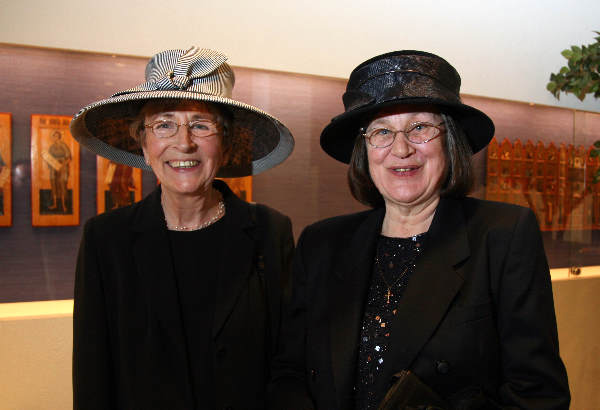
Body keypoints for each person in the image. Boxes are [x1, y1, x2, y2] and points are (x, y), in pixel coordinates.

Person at [268, 51, 570, 409]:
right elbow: (289, 373)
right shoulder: (321, 242)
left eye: (420, 128)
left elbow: (538, 396)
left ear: (450, 140)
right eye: (381, 131)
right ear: (364, 150)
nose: (400, 148)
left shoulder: (503, 234)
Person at [71, 47, 295, 410]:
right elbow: (92, 372)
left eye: (201, 125)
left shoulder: (270, 230)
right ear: (144, 146)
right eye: (164, 124)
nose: (184, 142)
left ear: (224, 145)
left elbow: (289, 360)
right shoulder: (105, 239)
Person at [45, 130, 71, 212]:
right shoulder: (52, 147)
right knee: (54, 185)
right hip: (53, 168)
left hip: (62, 167)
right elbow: (48, 158)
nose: (54, 138)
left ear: (59, 137)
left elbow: (69, 158)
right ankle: (55, 204)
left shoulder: (63, 146)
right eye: (53, 136)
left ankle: (64, 205)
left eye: (56, 136)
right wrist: (52, 163)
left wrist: (62, 165)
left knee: (62, 185)